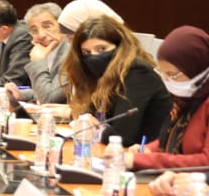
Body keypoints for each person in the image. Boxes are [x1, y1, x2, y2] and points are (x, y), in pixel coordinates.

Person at [60, 15, 170, 148]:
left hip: (148, 153)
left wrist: (96, 131)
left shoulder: (137, 72)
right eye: (87, 52)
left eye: (102, 49)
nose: (94, 57)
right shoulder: (100, 73)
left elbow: (122, 136)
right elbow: (91, 113)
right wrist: (86, 118)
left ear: (120, 46)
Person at [128, 25, 209, 171]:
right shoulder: (186, 98)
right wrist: (148, 149)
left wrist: (144, 160)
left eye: (172, 75)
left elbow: (206, 162)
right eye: (163, 73)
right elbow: (171, 138)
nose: (167, 81)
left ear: (197, 68)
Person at [6, 2, 66, 104]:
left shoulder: (70, 54)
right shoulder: (47, 51)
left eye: (47, 26)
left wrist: (38, 62)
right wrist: (20, 94)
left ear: (62, 25)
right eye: (34, 30)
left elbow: (49, 99)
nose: (41, 35)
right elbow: (47, 90)